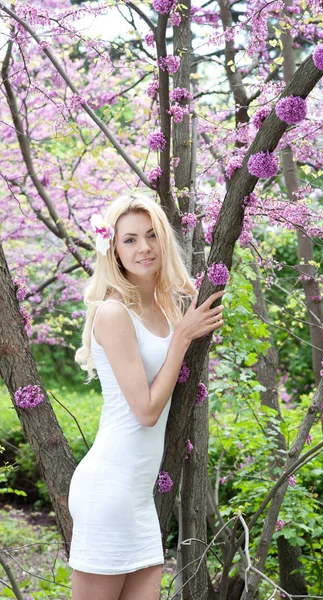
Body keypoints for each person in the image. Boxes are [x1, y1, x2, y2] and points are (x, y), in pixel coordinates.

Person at [69, 194, 225, 600]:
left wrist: (185, 324)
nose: (144, 248)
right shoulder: (113, 313)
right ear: (113, 250)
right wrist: (183, 337)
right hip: (108, 490)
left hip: (138, 497)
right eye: (130, 240)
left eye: (152, 236)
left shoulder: (165, 306)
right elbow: (146, 411)